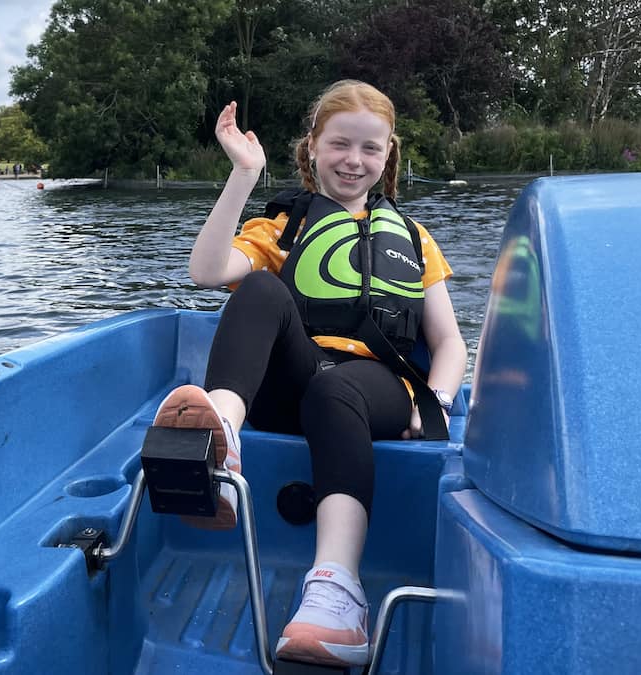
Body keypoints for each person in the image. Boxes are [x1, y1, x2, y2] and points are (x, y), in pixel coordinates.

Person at [150, 80, 466, 668]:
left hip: (377, 391)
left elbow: (448, 342)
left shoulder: (415, 239)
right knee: (261, 288)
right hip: (293, 381)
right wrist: (243, 174)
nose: (354, 160)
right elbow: (206, 270)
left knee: (336, 387)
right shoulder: (284, 226)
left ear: (388, 153)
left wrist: (438, 401)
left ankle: (338, 595)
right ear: (313, 148)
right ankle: (221, 430)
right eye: (340, 144)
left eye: (370, 149)